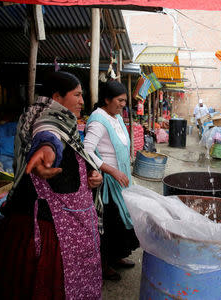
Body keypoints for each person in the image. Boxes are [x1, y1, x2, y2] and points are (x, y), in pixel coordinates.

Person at [0, 71, 103, 299]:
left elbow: (72, 155)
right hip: (45, 228)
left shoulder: (60, 121)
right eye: (77, 95)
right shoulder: (46, 118)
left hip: (62, 222)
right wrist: (48, 149)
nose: (82, 101)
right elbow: (48, 133)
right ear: (57, 97)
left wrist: (92, 175)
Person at [84, 80, 139, 281]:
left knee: (122, 221)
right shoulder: (98, 120)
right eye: (120, 100)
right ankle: (104, 265)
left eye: (125, 100)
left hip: (121, 180)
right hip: (106, 184)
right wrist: (112, 171)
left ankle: (117, 257)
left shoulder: (114, 116)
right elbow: (86, 150)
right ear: (107, 99)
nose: (123, 104)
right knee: (109, 224)